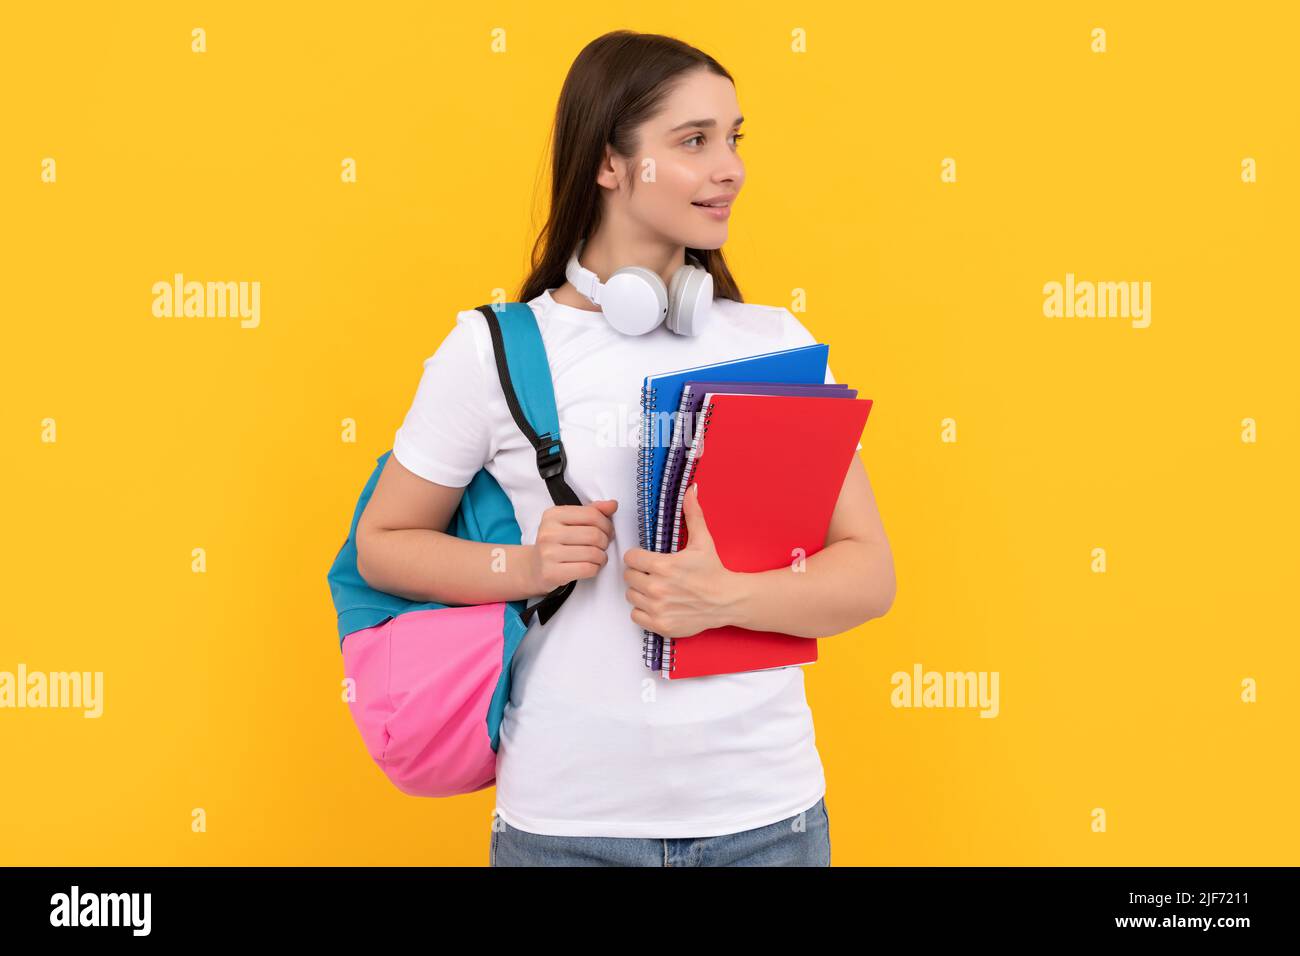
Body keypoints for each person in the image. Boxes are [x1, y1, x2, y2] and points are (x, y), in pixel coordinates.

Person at [356, 30, 895, 867]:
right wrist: (523, 569)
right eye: (694, 141)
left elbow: (869, 574)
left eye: (733, 138)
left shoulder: (770, 342)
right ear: (611, 164)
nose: (731, 168)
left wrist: (724, 599)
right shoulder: (494, 349)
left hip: (768, 817)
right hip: (567, 823)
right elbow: (383, 547)